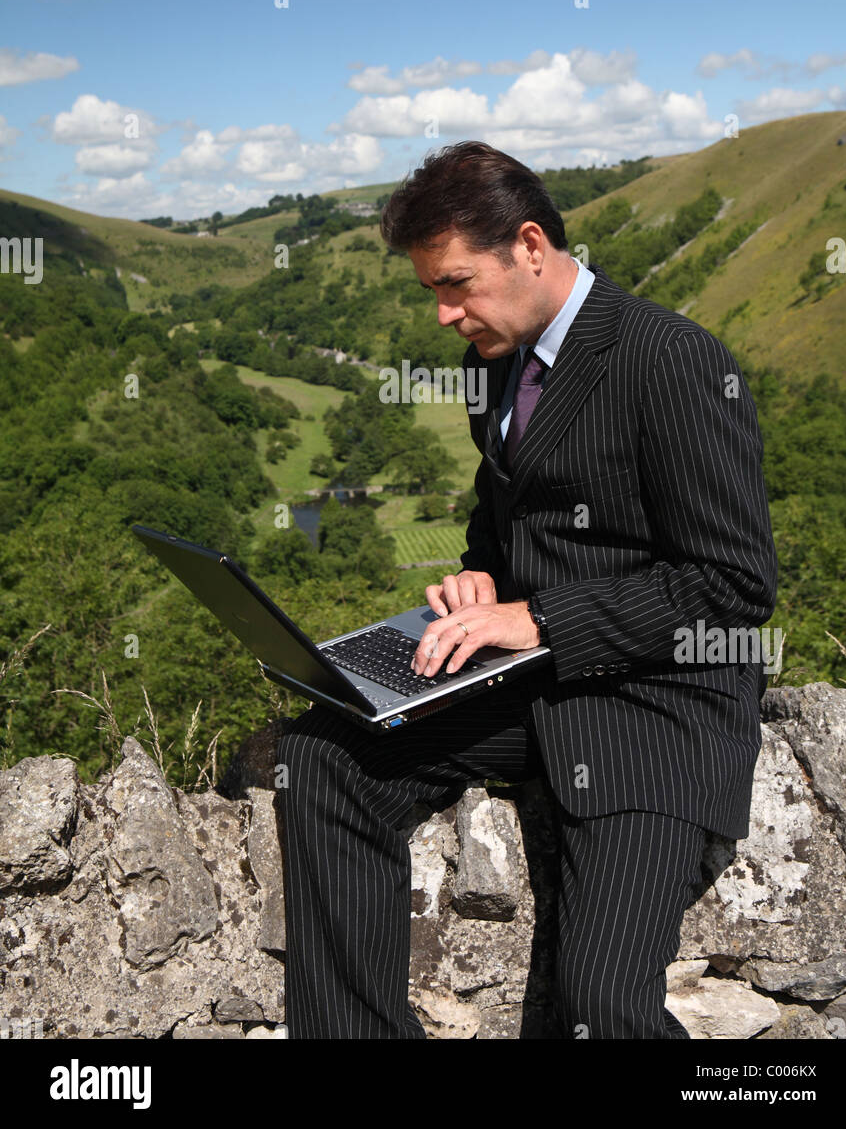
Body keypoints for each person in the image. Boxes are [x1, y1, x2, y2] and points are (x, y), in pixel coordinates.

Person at [276, 140, 777, 1039]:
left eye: (457, 283)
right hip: (533, 681)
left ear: (532, 245)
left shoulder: (672, 359)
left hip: (656, 704)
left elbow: (732, 587)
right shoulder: (496, 360)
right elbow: (505, 518)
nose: (443, 313)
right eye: (433, 288)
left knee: (598, 1010)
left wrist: (540, 616)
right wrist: (482, 577)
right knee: (322, 755)